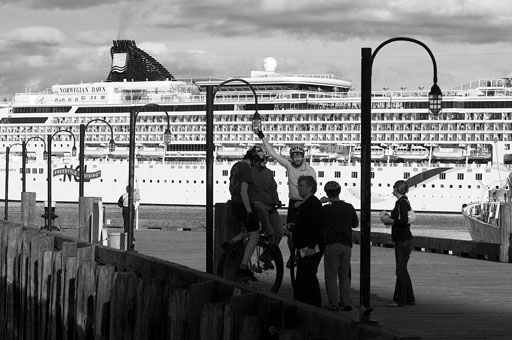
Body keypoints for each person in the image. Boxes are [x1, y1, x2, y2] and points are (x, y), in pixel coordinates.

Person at [255, 129, 316, 266]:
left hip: (306, 203)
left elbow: (313, 189)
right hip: (293, 202)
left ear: (303, 156)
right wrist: (262, 137)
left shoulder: (310, 170)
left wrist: (306, 202)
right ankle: (292, 256)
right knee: (290, 233)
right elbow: (273, 153)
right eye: (294, 156)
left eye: (299, 156)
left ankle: (303, 256)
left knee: (306, 233)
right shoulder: (289, 166)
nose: (296, 158)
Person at [223, 146, 264, 278]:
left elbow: (232, 186)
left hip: (235, 202)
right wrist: (249, 212)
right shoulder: (246, 168)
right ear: (255, 159)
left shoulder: (236, 165)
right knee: (254, 235)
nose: (259, 165)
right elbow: (243, 191)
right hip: (243, 204)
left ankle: (229, 244)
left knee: (247, 230)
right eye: (259, 162)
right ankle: (243, 267)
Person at [320, 181, 359, 312]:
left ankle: (333, 304)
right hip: (346, 245)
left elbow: (317, 222)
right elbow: (355, 224)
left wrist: (321, 203)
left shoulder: (325, 209)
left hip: (331, 245)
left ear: (327, 193)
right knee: (344, 275)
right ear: (339, 191)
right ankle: (346, 302)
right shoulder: (349, 207)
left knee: (331, 276)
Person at [380, 180, 416, 307]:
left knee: (400, 270)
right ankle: (409, 297)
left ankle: (399, 299)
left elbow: (403, 220)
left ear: (397, 189)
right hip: (404, 240)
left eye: (394, 187)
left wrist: (388, 220)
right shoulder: (403, 202)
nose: (393, 189)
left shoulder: (401, 202)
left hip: (403, 240)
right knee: (403, 269)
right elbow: (401, 219)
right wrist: (390, 218)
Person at [291, 175, 324, 307]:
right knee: (305, 274)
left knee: (307, 274)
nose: (299, 188)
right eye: (299, 186)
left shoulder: (313, 203)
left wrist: (311, 246)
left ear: (310, 187)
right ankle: (306, 302)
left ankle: (311, 303)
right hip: (304, 246)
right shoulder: (308, 203)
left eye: (302, 186)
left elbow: (317, 226)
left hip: (310, 247)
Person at [249, 152, 283, 268]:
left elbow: (273, 188)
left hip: (270, 206)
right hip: (257, 207)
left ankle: (266, 256)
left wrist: (276, 201)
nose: (264, 162)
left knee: (279, 232)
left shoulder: (268, 172)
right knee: (266, 233)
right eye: (262, 160)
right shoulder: (249, 172)